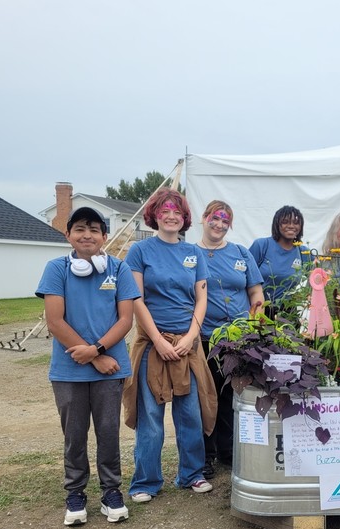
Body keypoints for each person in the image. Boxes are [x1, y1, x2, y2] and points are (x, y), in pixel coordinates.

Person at [36, 207, 140, 526]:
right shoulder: (56, 269)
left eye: (94, 229)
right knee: (74, 434)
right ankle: (76, 494)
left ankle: (111, 492)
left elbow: (126, 319)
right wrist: (96, 357)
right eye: (80, 228)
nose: (87, 235)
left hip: (111, 369)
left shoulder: (119, 269)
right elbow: (55, 321)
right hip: (70, 371)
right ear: (68, 234)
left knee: (108, 432)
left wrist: (96, 349)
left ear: (104, 237)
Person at [122, 189, 217, 502]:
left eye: (177, 211)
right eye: (165, 210)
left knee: (190, 413)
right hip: (152, 345)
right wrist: (159, 340)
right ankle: (145, 482)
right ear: (155, 215)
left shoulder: (194, 253)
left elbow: (201, 298)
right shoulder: (140, 251)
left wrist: (190, 338)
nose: (171, 215)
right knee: (150, 415)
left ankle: (191, 474)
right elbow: (136, 300)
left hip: (187, 345)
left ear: (184, 217)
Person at [197, 200, 264, 477]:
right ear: (204, 218)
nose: (219, 225)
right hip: (202, 338)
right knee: (204, 397)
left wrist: (253, 323)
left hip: (237, 340)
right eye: (215, 218)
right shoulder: (191, 253)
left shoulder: (240, 253)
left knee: (231, 396)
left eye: (225, 220)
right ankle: (204, 455)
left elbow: (256, 294)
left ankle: (228, 451)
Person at [248, 205, 312, 315]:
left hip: (288, 314)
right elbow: (245, 277)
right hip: (259, 309)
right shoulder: (262, 245)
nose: (291, 226)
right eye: (286, 222)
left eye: (296, 223)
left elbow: (316, 280)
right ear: (277, 224)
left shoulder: (304, 252)